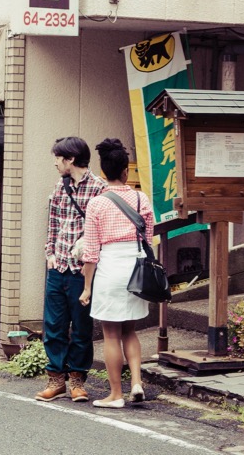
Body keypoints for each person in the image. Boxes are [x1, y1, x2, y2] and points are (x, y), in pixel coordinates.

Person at [78, 138, 155, 409]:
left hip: (110, 269)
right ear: (126, 171)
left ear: (103, 173)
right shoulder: (140, 197)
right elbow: (149, 237)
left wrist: (87, 287)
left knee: (111, 334)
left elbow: (90, 253)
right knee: (130, 331)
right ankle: (136, 382)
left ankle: (115, 394)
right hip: (136, 268)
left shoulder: (97, 204)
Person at [35, 136, 106, 403]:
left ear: (71, 159)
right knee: (53, 325)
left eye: (58, 158)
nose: (55, 163)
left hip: (81, 270)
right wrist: (49, 254)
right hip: (58, 266)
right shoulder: (59, 187)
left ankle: (77, 380)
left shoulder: (98, 189)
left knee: (82, 326)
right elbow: (52, 222)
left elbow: (99, 230)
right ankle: (56, 380)